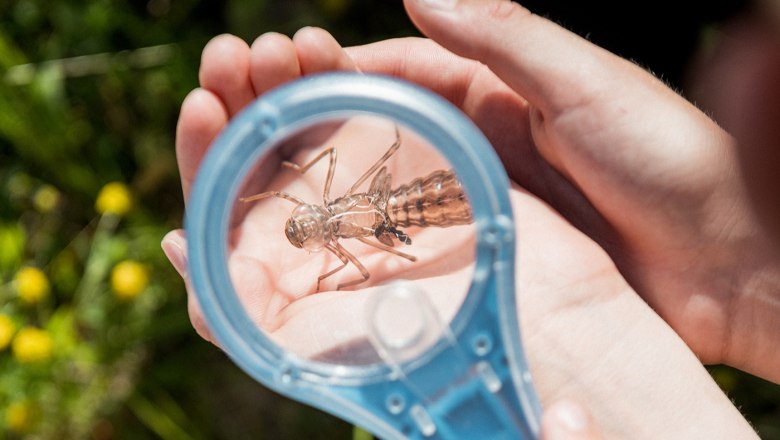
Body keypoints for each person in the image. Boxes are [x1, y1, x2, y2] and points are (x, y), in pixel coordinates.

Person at [163, 0, 780, 438]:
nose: (300, 229)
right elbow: (356, 241)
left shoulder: (322, 216)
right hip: (395, 211)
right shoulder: (325, 223)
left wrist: (731, 245)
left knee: (398, 219)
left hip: (397, 204)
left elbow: (347, 220)